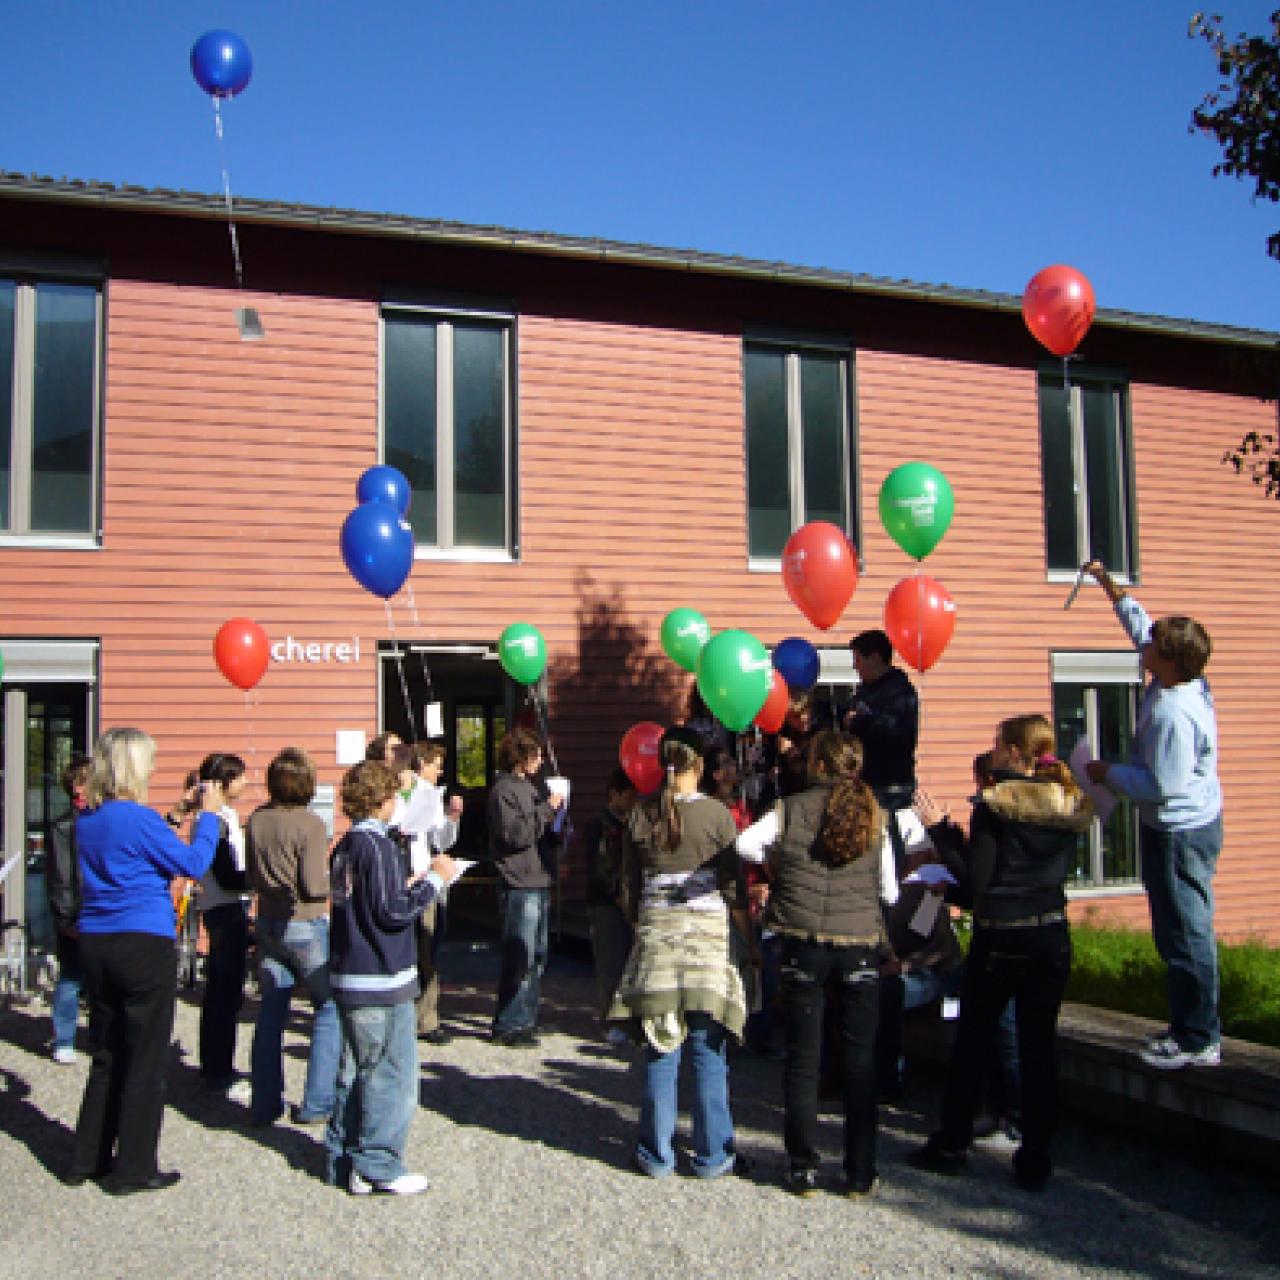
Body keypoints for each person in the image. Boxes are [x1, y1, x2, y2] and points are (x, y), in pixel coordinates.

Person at [909, 714, 1092, 1192]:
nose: (991, 750)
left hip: (1001, 936)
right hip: (1050, 934)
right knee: (1038, 1047)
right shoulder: (1066, 803)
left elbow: (976, 887)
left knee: (972, 1043)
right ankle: (1035, 1157)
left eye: (997, 743)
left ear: (1014, 752)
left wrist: (943, 834)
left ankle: (952, 1142)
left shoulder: (996, 806)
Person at [67, 727, 223, 1194]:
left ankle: (86, 1158)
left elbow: (137, 846)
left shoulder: (89, 821)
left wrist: (178, 813)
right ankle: (134, 1167)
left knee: (107, 1052)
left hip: (97, 941)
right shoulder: (138, 819)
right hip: (142, 942)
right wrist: (208, 819)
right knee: (145, 1059)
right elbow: (193, 863)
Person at [1082, 560, 1224, 1070]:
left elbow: (1162, 787)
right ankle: (1190, 1023)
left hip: (1180, 830)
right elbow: (1139, 622)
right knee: (1177, 929)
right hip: (1180, 825)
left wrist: (1106, 772)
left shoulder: (1171, 713)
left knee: (1185, 931)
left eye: (1153, 646)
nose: (1142, 645)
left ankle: (1199, 1037)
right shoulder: (1180, 680)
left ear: (1168, 662)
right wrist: (1108, 584)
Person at [607, 727, 751, 1179]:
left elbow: (628, 886)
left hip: (657, 942)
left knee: (660, 1047)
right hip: (707, 943)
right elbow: (733, 886)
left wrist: (642, 922)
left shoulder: (640, 816)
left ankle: (656, 1153)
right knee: (709, 1051)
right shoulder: (717, 816)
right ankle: (712, 1155)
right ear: (699, 766)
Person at [326, 760, 456, 1196]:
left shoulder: (345, 845)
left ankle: (343, 1156)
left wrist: (408, 884)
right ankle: (377, 1163)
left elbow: (372, 901)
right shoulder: (377, 847)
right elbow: (392, 912)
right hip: (379, 978)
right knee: (391, 1074)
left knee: (354, 1071)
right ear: (383, 801)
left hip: (349, 974)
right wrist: (433, 883)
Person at [764, 730, 885, 1197]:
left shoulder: (790, 808)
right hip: (859, 939)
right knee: (859, 1060)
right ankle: (860, 1171)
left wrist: (779, 864)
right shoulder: (877, 813)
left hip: (803, 938)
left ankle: (802, 1167)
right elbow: (890, 888)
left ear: (816, 763)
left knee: (804, 1057)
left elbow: (746, 846)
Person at [245, 747, 342, 1128]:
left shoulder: (256, 820)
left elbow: (251, 875)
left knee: (271, 1011)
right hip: (304, 921)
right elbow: (313, 885)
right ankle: (317, 1102)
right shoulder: (310, 824)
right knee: (329, 1007)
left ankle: (265, 1102)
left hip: (267, 920)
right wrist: (339, 880)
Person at [486, 727, 564, 1047]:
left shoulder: (531, 788)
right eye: (535, 754)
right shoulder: (503, 791)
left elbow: (538, 831)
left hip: (539, 877)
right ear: (520, 757)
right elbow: (514, 834)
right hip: (518, 881)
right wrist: (546, 811)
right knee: (520, 955)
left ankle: (526, 1018)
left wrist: (558, 823)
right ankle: (508, 1023)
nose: (540, 760)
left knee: (538, 956)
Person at [194, 752, 252, 1098]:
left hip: (223, 907)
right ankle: (218, 1068)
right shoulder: (215, 821)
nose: (245, 783)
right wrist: (256, 880)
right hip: (225, 907)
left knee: (222, 989)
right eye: (240, 776)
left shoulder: (218, 818)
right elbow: (227, 874)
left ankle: (215, 1063)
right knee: (224, 991)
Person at [404, 742, 464, 1045]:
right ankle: (425, 1020)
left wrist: (452, 818)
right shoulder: (409, 795)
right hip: (416, 879)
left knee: (431, 946)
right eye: (436, 764)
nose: (440, 770)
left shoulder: (432, 796)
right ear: (420, 765)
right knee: (422, 950)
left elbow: (440, 840)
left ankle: (422, 1016)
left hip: (434, 878)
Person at [581, 766, 638, 1038]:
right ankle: (609, 1019)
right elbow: (599, 868)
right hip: (605, 902)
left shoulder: (632, 823)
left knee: (630, 963)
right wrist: (616, 894)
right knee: (610, 964)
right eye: (628, 795)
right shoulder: (599, 825)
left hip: (627, 899)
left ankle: (627, 1017)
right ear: (614, 794)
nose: (632, 800)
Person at [44, 753, 92, 1065]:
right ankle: (64, 1038)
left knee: (99, 980)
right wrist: (66, 918)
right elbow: (60, 876)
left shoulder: (100, 819)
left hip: (100, 910)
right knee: (71, 977)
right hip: (75, 911)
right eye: (79, 783)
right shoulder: (64, 826)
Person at [843, 629, 919, 812]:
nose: (855, 666)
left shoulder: (900, 691)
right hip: (865, 782)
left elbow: (893, 728)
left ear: (875, 658)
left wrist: (858, 722)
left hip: (891, 787)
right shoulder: (865, 690)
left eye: (858, 659)